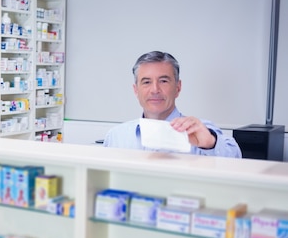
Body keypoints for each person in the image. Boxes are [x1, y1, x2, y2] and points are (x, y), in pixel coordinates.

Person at [103, 51, 242, 158]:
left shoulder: (201, 133)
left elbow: (236, 160)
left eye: (163, 81)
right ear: (136, 90)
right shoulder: (116, 137)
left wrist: (210, 143)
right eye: (146, 82)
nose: (155, 90)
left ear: (178, 88)